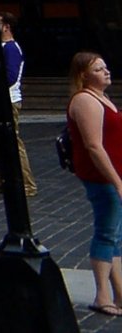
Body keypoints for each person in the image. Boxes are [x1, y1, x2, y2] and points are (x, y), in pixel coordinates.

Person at [67, 52, 121, 316]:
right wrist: (117, 181)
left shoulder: (103, 98)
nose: (106, 72)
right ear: (84, 75)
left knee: (117, 236)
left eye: (106, 67)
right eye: (99, 69)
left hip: (114, 175)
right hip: (103, 177)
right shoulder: (85, 101)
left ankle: (119, 293)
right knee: (107, 232)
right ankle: (102, 295)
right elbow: (93, 146)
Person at [0, 15, 38, 196]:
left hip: (6, 101)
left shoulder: (11, 48)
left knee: (12, 141)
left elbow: (11, 77)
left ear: (6, 26)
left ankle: (27, 184)